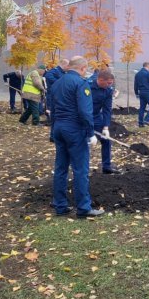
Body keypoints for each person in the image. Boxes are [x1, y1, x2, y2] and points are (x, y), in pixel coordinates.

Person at [48, 56, 104, 218]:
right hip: (74, 130)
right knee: (80, 169)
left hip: (59, 127)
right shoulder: (81, 84)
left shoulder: (57, 83)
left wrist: (53, 131)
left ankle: (60, 206)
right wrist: (91, 133)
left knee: (60, 168)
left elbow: (51, 109)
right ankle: (83, 208)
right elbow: (85, 112)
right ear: (83, 68)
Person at [91, 70, 121, 174]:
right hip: (83, 117)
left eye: (111, 83)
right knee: (85, 143)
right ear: (100, 80)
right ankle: (83, 169)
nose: (109, 85)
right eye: (108, 83)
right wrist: (90, 132)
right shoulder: (88, 86)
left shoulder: (108, 91)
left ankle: (106, 166)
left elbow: (107, 109)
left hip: (96, 117)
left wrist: (105, 127)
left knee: (106, 140)